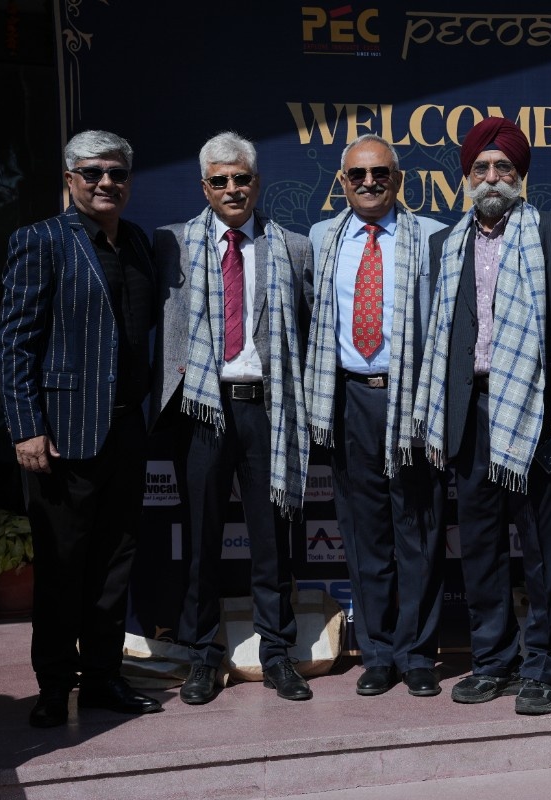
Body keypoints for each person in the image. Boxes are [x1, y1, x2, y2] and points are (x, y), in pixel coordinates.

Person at [414, 116, 551, 716]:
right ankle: (492, 661)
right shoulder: (446, 243)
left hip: (533, 411)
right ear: (467, 177)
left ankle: (543, 666)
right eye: (481, 168)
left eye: (503, 168)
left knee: (543, 549)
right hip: (470, 412)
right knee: (481, 549)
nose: (491, 177)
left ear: (521, 176)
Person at [0, 129, 162, 727]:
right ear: (70, 179)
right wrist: (26, 427)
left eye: (116, 173)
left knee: (115, 563)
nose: (105, 182)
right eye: (92, 173)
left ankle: (102, 678)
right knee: (62, 567)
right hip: (62, 435)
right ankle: (52, 687)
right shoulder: (40, 240)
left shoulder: (137, 241)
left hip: (126, 431)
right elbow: (14, 342)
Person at [152, 132, 313, 705]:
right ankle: (201, 655)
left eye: (241, 178)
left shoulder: (293, 247)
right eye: (220, 181)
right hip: (201, 409)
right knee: (201, 541)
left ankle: (277, 654)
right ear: (205, 188)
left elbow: (309, 330)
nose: (232, 189)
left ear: (256, 182)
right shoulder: (170, 244)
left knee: (272, 541)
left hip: (266, 408)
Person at [304, 134, 448, 697]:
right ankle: (379, 653)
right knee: (364, 534)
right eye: (358, 175)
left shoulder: (432, 237)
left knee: (418, 531)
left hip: (412, 400)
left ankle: (418, 654)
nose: (369, 183)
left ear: (398, 180)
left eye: (380, 173)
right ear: (342, 182)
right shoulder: (321, 238)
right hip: (349, 399)